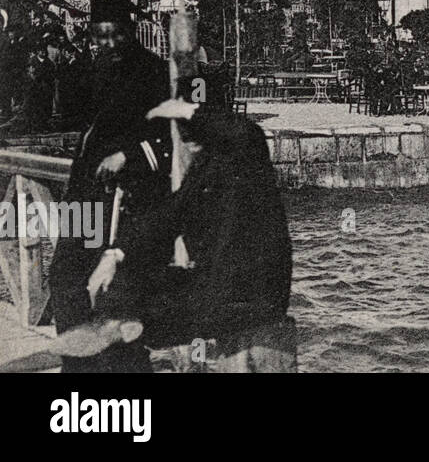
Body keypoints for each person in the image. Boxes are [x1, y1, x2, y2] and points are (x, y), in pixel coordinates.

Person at [86, 98, 293, 368]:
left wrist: (187, 110)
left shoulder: (244, 154)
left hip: (255, 295)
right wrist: (116, 254)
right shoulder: (204, 167)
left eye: (193, 138)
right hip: (219, 284)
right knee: (122, 289)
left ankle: (134, 331)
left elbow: (247, 131)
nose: (187, 146)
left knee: (140, 313)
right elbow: (168, 216)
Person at [49, 0, 172, 373]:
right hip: (85, 192)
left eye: (117, 35)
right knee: (66, 274)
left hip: (130, 196)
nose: (110, 44)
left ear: (131, 32)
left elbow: (172, 135)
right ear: (92, 36)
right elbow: (65, 118)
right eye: (101, 37)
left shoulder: (153, 72)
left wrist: (129, 156)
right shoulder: (88, 71)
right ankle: (77, 367)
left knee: (119, 289)